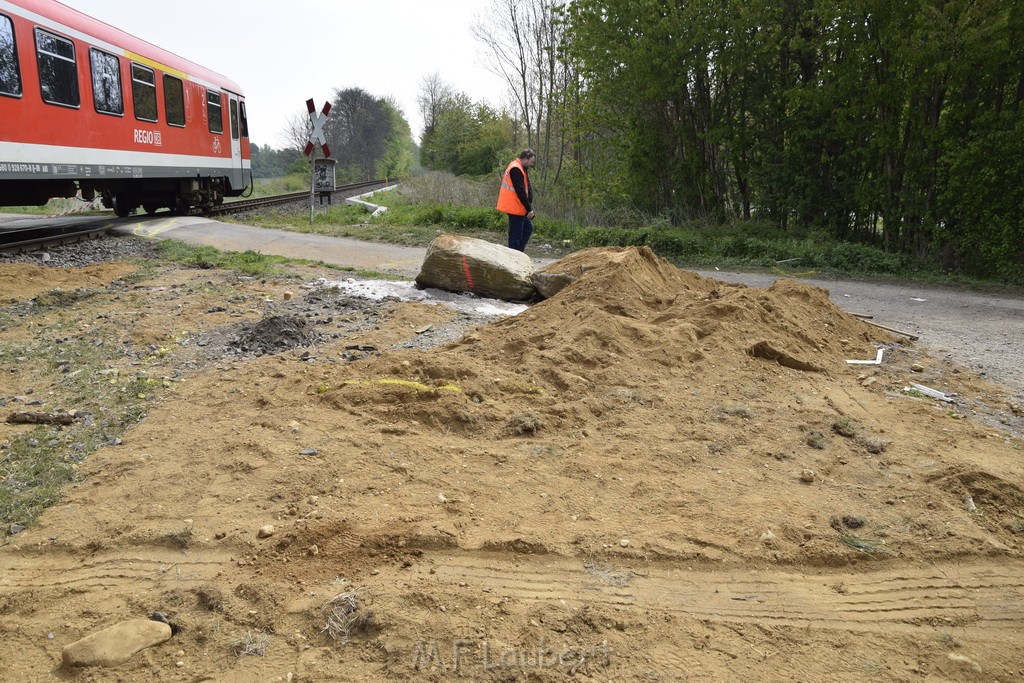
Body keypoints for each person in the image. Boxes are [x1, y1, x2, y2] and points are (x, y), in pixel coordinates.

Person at [496, 149, 536, 252]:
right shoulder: (516, 169)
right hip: (515, 207)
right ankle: (514, 257)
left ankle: (518, 253)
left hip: (519, 207)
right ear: (526, 159)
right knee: (515, 236)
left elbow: (525, 189)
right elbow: (521, 192)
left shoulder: (521, 168)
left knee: (528, 229)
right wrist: (529, 209)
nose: (532, 164)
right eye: (531, 162)